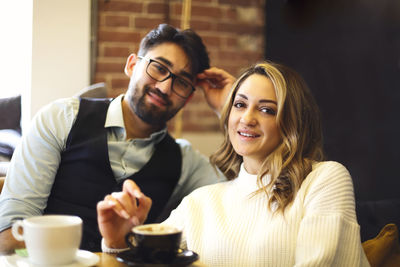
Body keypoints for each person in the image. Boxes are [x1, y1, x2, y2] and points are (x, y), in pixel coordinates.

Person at [97, 61, 371, 266]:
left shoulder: (323, 179)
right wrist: (118, 243)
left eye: (266, 109)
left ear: (292, 122)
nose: (247, 118)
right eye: (239, 105)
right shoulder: (200, 202)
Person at [0, 24, 235, 253]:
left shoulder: (186, 163)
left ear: (189, 97)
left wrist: (231, 111)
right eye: (159, 68)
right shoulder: (61, 118)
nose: (164, 88)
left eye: (182, 82)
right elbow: (10, 235)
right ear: (132, 65)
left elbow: (242, 201)